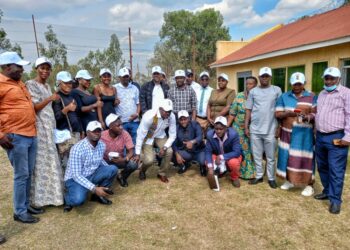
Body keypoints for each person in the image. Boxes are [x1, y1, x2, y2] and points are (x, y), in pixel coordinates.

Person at [0, 51, 40, 224]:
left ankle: (26, 204)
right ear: (7, 67)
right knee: (21, 174)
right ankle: (19, 211)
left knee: (29, 172)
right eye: (19, 66)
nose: (22, 70)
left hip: (30, 133)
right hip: (15, 136)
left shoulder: (19, 83)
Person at [26, 57, 64, 208]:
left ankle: (54, 195)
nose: (45, 71)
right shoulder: (31, 84)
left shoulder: (47, 86)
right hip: (40, 128)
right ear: (36, 69)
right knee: (42, 162)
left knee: (51, 160)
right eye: (42, 68)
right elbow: (34, 107)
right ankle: (39, 199)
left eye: (47, 69)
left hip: (50, 127)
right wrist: (51, 98)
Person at [314, 67, 350, 214]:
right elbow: (319, 112)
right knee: (322, 166)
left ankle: (335, 200)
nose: (328, 81)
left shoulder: (346, 93)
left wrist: (348, 137)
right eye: (326, 78)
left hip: (337, 137)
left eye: (332, 78)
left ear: (338, 79)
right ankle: (327, 191)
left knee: (336, 170)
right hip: (321, 137)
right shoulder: (322, 93)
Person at [275, 72, 316, 196]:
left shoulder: (312, 96)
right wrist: (287, 114)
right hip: (287, 132)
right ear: (291, 84)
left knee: (306, 158)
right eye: (294, 84)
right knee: (287, 157)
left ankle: (309, 185)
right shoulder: (284, 96)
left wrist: (307, 117)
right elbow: (277, 114)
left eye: (299, 83)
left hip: (304, 134)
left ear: (304, 83)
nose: (297, 86)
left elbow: (316, 114)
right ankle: (290, 181)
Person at [63, 121, 118, 212]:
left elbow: (100, 160)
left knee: (113, 169)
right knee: (78, 200)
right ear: (87, 132)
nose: (97, 133)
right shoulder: (77, 149)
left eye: (99, 131)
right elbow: (76, 175)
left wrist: (113, 171)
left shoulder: (101, 145)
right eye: (94, 131)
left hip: (91, 174)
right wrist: (94, 188)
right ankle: (67, 199)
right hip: (74, 179)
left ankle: (98, 196)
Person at [245, 67, 282, 188]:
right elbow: (248, 110)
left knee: (271, 157)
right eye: (262, 76)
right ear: (259, 77)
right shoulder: (253, 91)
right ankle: (259, 176)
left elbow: (280, 109)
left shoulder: (276, 90)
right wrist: (246, 126)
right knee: (257, 155)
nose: (264, 78)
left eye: (267, 76)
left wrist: (279, 127)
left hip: (271, 128)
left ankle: (271, 178)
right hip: (255, 129)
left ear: (270, 77)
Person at [134, 99, 176, 183]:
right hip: (148, 136)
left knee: (169, 151)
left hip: (160, 135)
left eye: (170, 111)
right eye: (166, 111)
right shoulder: (149, 116)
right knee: (149, 160)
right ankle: (142, 170)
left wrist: (164, 148)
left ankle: (162, 173)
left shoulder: (171, 116)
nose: (168, 113)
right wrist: (137, 153)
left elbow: (172, 135)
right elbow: (140, 135)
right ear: (160, 109)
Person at [227, 76, 258, 180]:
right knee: (242, 150)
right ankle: (240, 171)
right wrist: (227, 126)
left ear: (255, 85)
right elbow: (232, 113)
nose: (249, 85)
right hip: (238, 128)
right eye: (247, 83)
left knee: (252, 150)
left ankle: (252, 171)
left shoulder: (258, 97)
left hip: (254, 127)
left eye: (251, 84)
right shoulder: (239, 96)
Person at [52, 71, 83, 169]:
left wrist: (81, 130)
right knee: (66, 163)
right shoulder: (57, 97)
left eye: (70, 83)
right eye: (66, 83)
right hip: (64, 136)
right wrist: (67, 109)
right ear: (59, 83)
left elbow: (77, 114)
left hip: (75, 133)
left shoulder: (71, 96)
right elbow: (56, 117)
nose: (69, 85)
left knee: (76, 161)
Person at [101, 114, 138, 187]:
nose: (121, 127)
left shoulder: (124, 133)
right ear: (110, 127)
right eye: (118, 126)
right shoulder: (101, 136)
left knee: (133, 164)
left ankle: (122, 177)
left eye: (121, 125)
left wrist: (124, 159)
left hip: (120, 160)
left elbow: (131, 151)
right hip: (104, 162)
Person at [205, 116, 242, 187]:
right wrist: (210, 167)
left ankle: (234, 177)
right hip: (217, 155)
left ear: (226, 128)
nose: (218, 131)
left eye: (221, 129)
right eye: (216, 128)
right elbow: (208, 151)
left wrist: (222, 157)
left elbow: (237, 152)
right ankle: (218, 172)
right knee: (208, 161)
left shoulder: (233, 134)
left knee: (233, 163)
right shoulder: (210, 134)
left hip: (230, 156)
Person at [172, 110, 206, 176]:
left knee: (202, 161)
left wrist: (192, 142)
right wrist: (177, 154)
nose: (183, 121)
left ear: (189, 118)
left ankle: (202, 166)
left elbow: (200, 136)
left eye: (185, 119)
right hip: (187, 152)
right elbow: (174, 143)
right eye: (181, 120)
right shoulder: (176, 128)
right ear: (178, 120)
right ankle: (185, 164)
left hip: (198, 151)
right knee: (172, 153)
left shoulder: (195, 124)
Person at [114, 67, 140, 144]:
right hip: (121, 122)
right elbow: (112, 103)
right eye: (123, 77)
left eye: (127, 76)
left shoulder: (134, 88)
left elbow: (138, 103)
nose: (125, 78)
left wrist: (137, 114)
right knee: (122, 142)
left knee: (135, 140)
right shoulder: (114, 88)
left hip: (134, 121)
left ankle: (134, 155)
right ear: (119, 77)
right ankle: (125, 156)